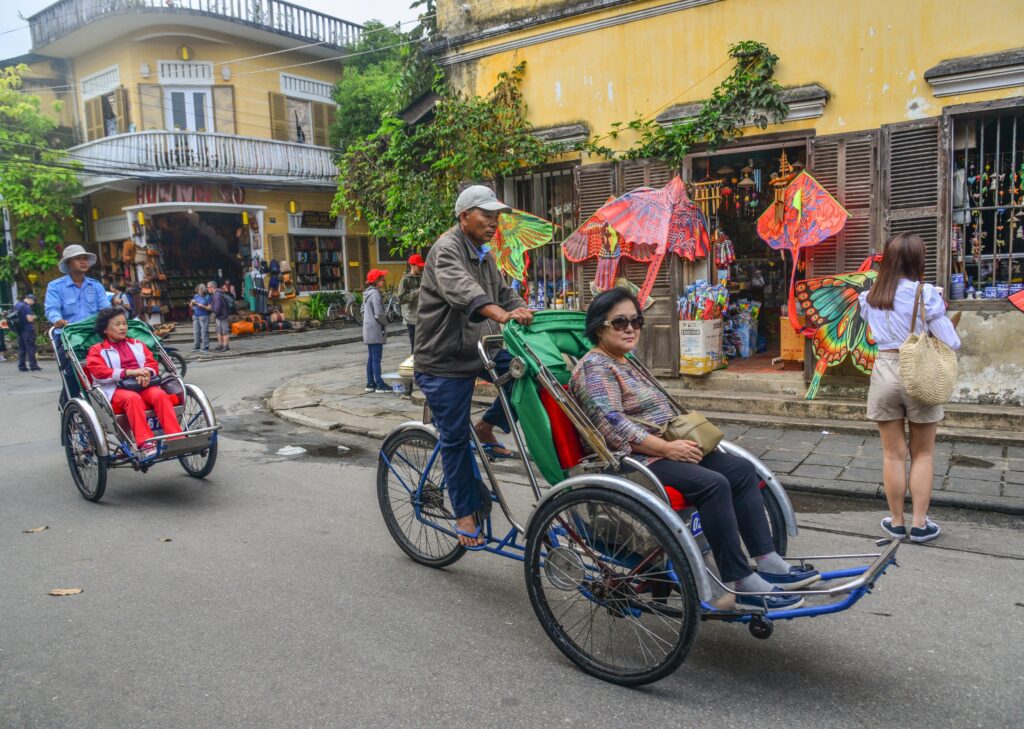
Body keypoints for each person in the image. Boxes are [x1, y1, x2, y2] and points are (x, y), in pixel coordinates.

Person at [570, 288, 819, 609]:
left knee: (742, 470)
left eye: (636, 320)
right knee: (713, 484)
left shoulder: (625, 360)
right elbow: (612, 423)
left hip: (663, 447)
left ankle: (768, 559)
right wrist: (667, 448)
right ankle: (738, 576)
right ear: (598, 327)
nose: (630, 328)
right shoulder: (595, 367)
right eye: (619, 322)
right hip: (634, 460)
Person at [414, 185, 534, 549]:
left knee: (526, 376)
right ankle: (465, 514)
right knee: (453, 440)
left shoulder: (484, 254)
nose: (494, 222)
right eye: (487, 215)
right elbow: (463, 290)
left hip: (482, 347)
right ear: (464, 216)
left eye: (497, 216)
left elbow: (502, 293)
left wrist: (524, 311)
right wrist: (500, 313)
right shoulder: (446, 249)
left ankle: (486, 426)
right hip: (443, 359)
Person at [858, 233, 961, 544]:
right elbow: (951, 342)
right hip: (918, 370)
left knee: (892, 454)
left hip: (884, 370)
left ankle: (896, 521)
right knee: (923, 453)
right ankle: (919, 524)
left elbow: (874, 331)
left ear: (887, 260)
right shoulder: (926, 294)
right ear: (918, 260)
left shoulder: (869, 297)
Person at [84, 307, 182, 456]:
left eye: (124, 323)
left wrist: (146, 373)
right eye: (117, 324)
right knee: (133, 399)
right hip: (115, 388)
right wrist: (129, 372)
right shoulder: (97, 350)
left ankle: (176, 438)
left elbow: (151, 363)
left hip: (143, 384)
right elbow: (99, 372)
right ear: (105, 329)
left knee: (160, 395)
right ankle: (145, 442)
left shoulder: (136, 344)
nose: (123, 327)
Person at [45, 244, 112, 397]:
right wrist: (57, 319)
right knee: (72, 378)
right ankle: (70, 407)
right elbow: (51, 308)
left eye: (85, 259)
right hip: (68, 336)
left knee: (105, 372)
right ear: (69, 263)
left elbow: (105, 310)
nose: (83, 262)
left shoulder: (95, 286)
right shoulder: (56, 286)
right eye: (78, 259)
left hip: (94, 336)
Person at [363, 269, 390, 393]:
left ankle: (370, 383)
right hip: (375, 329)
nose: (384, 281)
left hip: (368, 328)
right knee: (376, 359)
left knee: (371, 357)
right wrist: (386, 322)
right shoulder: (375, 294)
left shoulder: (367, 294)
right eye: (382, 279)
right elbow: (379, 314)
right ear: (376, 281)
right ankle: (379, 384)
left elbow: (364, 311)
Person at [398, 254, 425, 351]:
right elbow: (401, 299)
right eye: (419, 266)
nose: (421, 267)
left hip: (422, 317)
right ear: (412, 266)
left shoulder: (422, 277)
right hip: (412, 318)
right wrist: (417, 292)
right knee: (414, 346)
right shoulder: (405, 280)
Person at [14, 292, 41, 372]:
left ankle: (22, 366)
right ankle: (34, 366)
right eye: (33, 302)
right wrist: (34, 317)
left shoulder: (17, 305)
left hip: (19, 330)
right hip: (27, 330)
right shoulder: (27, 307)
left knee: (22, 349)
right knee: (30, 348)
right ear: (30, 300)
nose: (33, 304)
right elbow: (29, 319)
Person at [209, 281, 232, 352]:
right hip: (220, 315)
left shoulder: (217, 295)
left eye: (208, 287)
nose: (207, 289)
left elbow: (218, 306)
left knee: (224, 331)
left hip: (222, 316)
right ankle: (221, 345)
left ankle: (226, 346)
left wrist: (215, 313)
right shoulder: (217, 294)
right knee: (219, 331)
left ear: (212, 287)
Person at [189, 283, 212, 352]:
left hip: (204, 316)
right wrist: (192, 302)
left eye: (201, 291)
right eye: (199, 290)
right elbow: (190, 306)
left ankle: (205, 347)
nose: (200, 292)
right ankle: (197, 346)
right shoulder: (196, 296)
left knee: (204, 332)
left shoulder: (207, 297)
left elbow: (210, 308)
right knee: (196, 332)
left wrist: (203, 306)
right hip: (196, 315)